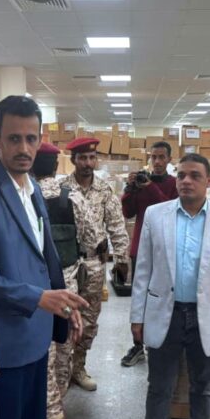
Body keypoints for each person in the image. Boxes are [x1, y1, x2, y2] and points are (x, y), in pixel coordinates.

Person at [0, 95, 86, 419]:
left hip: (36, 336)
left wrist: (63, 306)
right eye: (14, 139)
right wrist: (38, 298)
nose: (24, 148)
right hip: (4, 344)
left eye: (31, 138)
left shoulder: (32, 188)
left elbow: (44, 257)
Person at [130, 153, 210, 419]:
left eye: (195, 176)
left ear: (209, 181)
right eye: (181, 175)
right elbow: (143, 270)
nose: (186, 181)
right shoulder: (156, 215)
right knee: (159, 388)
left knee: (203, 388)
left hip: (207, 315)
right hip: (165, 312)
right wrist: (137, 317)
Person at [60, 137, 130, 392]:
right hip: (66, 265)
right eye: (82, 158)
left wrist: (121, 260)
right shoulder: (61, 189)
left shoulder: (104, 190)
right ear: (73, 160)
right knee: (65, 317)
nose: (88, 163)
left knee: (88, 321)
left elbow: (116, 226)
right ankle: (62, 370)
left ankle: (78, 367)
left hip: (93, 264)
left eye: (92, 158)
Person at [31, 142, 84, 419]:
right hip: (68, 285)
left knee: (44, 349)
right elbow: (89, 237)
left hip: (37, 289)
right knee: (65, 345)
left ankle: (50, 413)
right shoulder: (71, 195)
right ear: (55, 165)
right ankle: (59, 402)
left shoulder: (24, 196)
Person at [120, 140, 179, 367]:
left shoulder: (174, 184)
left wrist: (150, 187)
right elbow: (127, 212)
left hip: (166, 249)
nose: (157, 161)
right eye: (154, 157)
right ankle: (138, 345)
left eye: (162, 157)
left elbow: (170, 210)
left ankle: (159, 342)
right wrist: (129, 189)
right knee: (140, 298)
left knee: (163, 297)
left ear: (169, 159)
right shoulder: (142, 182)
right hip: (141, 248)